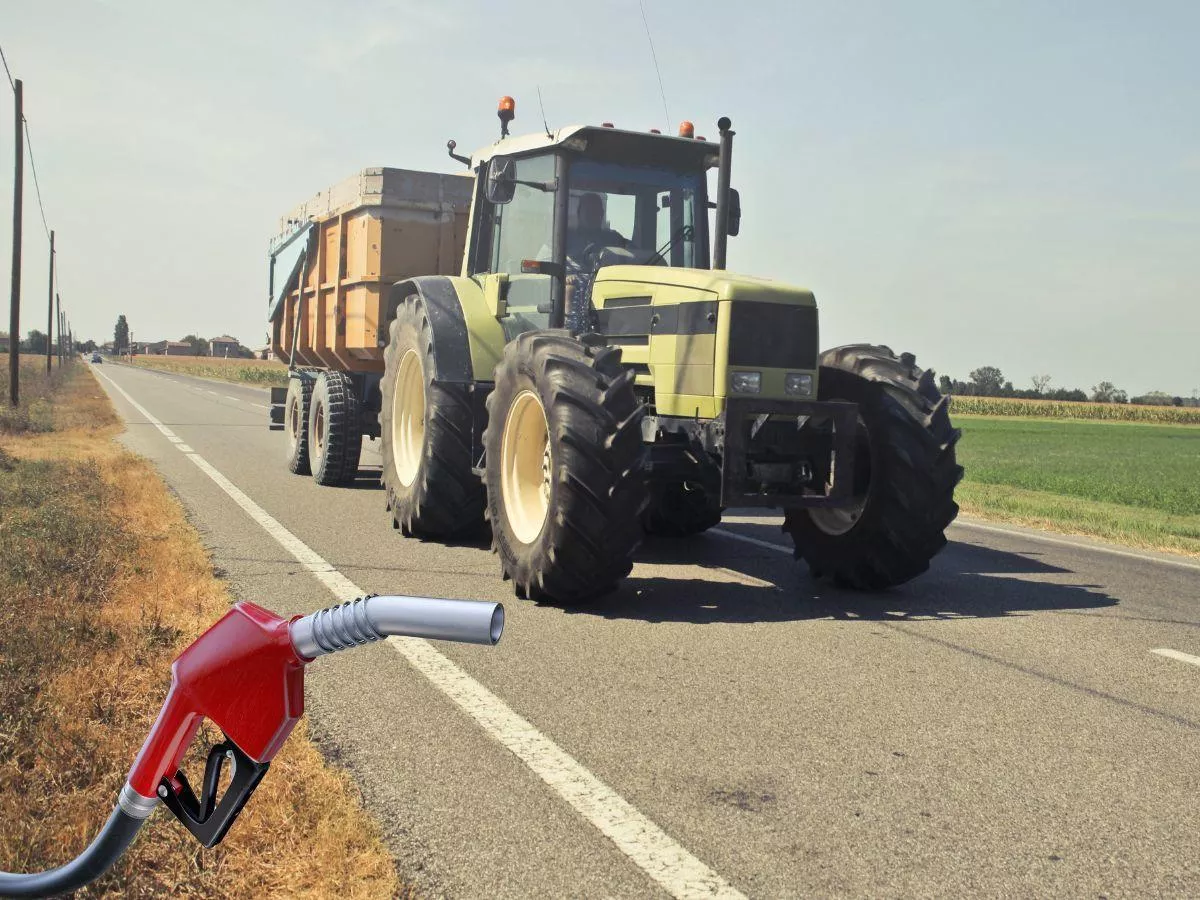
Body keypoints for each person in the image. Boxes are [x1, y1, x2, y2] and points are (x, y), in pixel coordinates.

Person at [567, 192, 626, 261]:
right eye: (589, 211)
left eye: (596, 211)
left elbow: (635, 253)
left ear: (602, 214)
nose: (593, 215)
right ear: (579, 212)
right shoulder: (566, 239)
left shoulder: (614, 239)